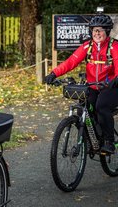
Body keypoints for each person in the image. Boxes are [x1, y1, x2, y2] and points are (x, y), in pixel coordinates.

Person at [45, 13, 118, 154]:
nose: (97, 33)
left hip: (111, 86)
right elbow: (71, 61)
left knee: (101, 106)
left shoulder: (114, 46)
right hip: (92, 86)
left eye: (100, 30)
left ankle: (109, 141)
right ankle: (90, 139)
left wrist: (116, 79)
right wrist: (54, 73)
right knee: (83, 108)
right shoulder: (87, 46)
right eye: (94, 30)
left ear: (107, 31)